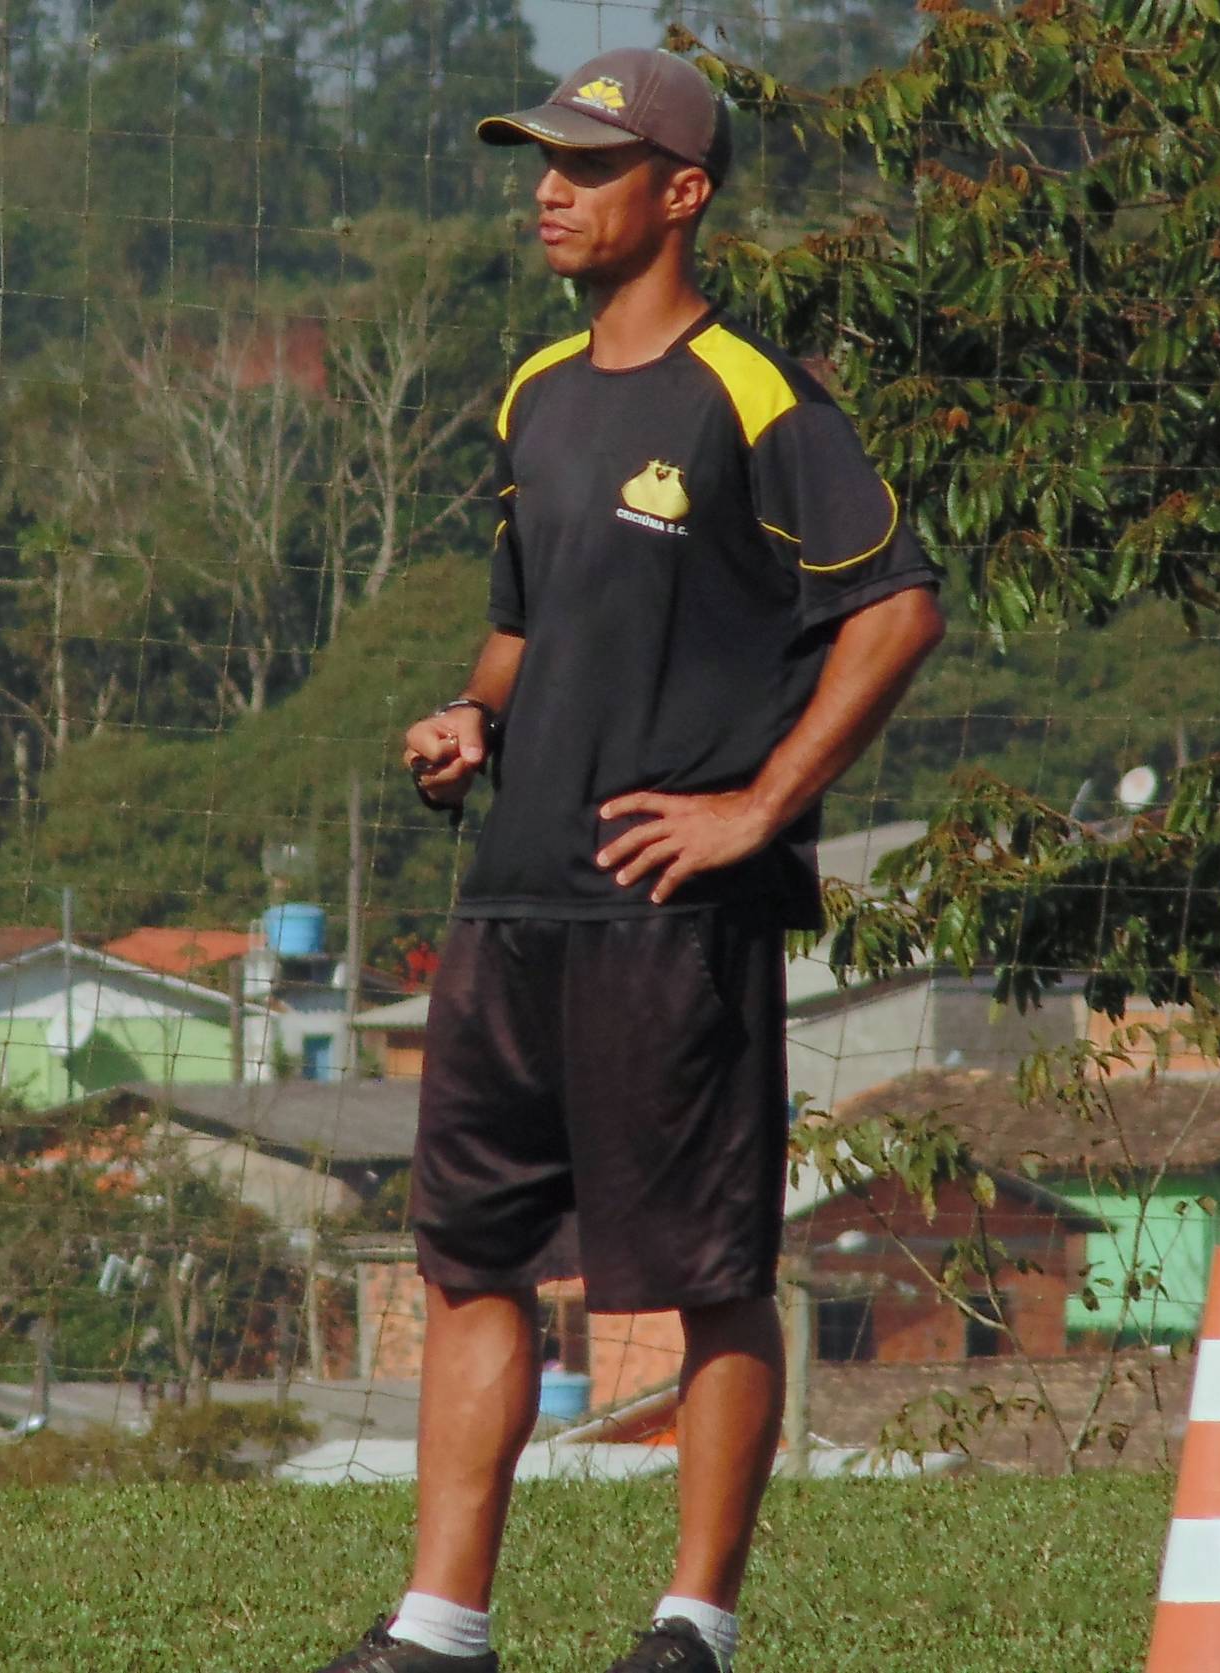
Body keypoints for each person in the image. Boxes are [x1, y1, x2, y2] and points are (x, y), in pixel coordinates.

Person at [310, 45, 946, 1673]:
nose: (549, 188)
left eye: (587, 167)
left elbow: (897, 609)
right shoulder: (534, 393)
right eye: (542, 160)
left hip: (675, 913)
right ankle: (444, 1628)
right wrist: (472, 717)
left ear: (682, 194)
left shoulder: (759, 397)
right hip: (511, 904)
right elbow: (528, 623)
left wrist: (756, 812)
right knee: (470, 1261)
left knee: (705, 1272)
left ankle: (693, 1628)